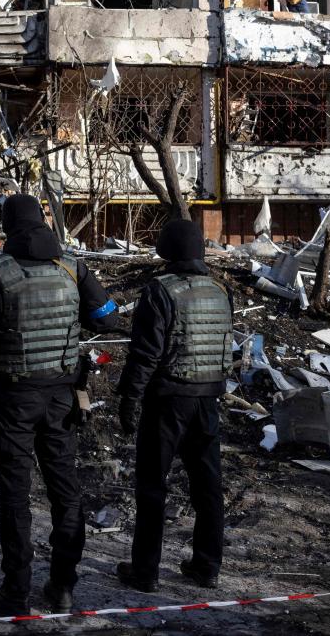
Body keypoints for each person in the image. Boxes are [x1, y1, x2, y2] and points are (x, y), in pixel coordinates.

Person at [0, 194, 119, 616]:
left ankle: (15, 590)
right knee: (65, 491)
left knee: (15, 495)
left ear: (7, 227)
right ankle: (63, 585)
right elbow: (106, 316)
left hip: (14, 397)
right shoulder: (72, 267)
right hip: (63, 397)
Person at [114, 219, 232, 593]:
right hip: (208, 401)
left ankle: (145, 572)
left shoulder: (160, 292)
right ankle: (207, 567)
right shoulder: (220, 290)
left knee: (152, 486)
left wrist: (129, 398)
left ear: (167, 250)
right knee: (208, 487)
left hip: (167, 402)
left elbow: (145, 355)